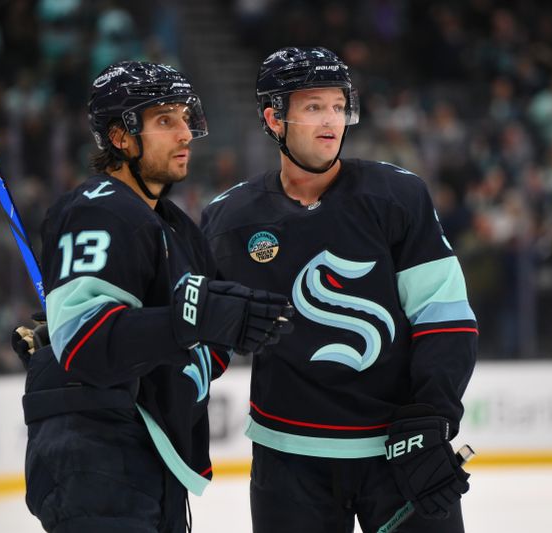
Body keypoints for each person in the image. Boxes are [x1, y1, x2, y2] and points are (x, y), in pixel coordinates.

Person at [201, 47, 477, 533]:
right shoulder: (229, 219)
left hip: (399, 450)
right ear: (274, 118)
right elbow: (203, 333)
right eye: (312, 107)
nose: (331, 120)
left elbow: (445, 316)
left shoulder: (397, 196)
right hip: (289, 461)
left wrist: (433, 416)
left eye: (337, 105)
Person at [12, 60, 293, 533]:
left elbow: (203, 340)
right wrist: (194, 318)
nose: (185, 133)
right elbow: (87, 344)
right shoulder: (98, 210)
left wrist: (218, 320)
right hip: (97, 455)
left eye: (186, 118)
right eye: (165, 120)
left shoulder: (177, 227)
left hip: (147, 453)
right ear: (121, 137)